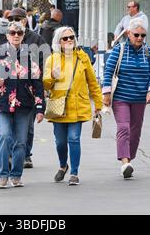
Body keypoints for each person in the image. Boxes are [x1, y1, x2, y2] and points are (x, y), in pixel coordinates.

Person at [43, 27, 102, 186]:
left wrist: (98, 103)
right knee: (60, 142)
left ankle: (74, 172)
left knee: (74, 139)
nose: (69, 40)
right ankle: (63, 165)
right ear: (59, 42)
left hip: (78, 105)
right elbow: (46, 85)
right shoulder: (52, 59)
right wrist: (52, 77)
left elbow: (93, 82)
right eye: (65, 38)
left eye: (71, 37)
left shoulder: (83, 58)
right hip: (59, 106)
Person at [102, 18, 150, 179]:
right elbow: (108, 72)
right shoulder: (119, 50)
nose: (140, 38)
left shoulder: (148, 52)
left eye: (143, 35)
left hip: (140, 98)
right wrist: (106, 94)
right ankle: (125, 162)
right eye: (136, 35)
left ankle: (129, 158)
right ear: (128, 34)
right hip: (121, 97)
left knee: (136, 131)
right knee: (124, 127)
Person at [0, 22, 45, 189]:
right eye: (13, 32)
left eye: (19, 33)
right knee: (5, 136)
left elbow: (38, 84)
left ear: (23, 35)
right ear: (7, 35)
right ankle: (3, 175)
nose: (16, 35)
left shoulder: (30, 56)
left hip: (24, 104)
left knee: (21, 142)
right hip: (3, 103)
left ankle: (16, 175)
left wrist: (39, 108)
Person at [0, 8, 49, 169]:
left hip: (27, 92)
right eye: (12, 18)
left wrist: (39, 80)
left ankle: (25, 154)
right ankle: (10, 157)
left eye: (18, 18)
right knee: (6, 132)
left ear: (25, 20)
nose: (16, 35)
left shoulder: (36, 39)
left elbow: (45, 59)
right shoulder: (1, 41)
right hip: (5, 96)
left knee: (28, 128)